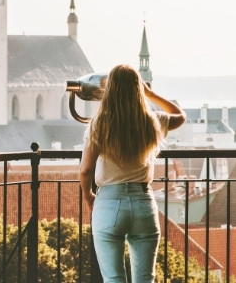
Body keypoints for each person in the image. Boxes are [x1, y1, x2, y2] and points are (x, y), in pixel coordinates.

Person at [79, 64, 186, 283]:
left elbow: (86, 169)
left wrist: (88, 194)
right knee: (145, 279)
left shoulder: (100, 124)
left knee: (113, 279)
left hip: (109, 201)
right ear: (138, 89)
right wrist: (151, 94)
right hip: (143, 202)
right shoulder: (151, 121)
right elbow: (180, 115)